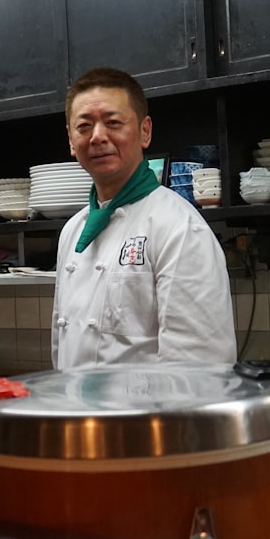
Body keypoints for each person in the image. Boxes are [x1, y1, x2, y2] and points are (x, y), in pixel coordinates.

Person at [51, 67, 236, 369]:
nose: (97, 137)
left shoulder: (178, 227)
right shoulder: (72, 231)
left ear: (144, 131)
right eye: (83, 126)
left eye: (113, 123)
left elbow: (199, 368)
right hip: (78, 414)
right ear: (71, 140)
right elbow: (62, 352)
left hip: (145, 416)